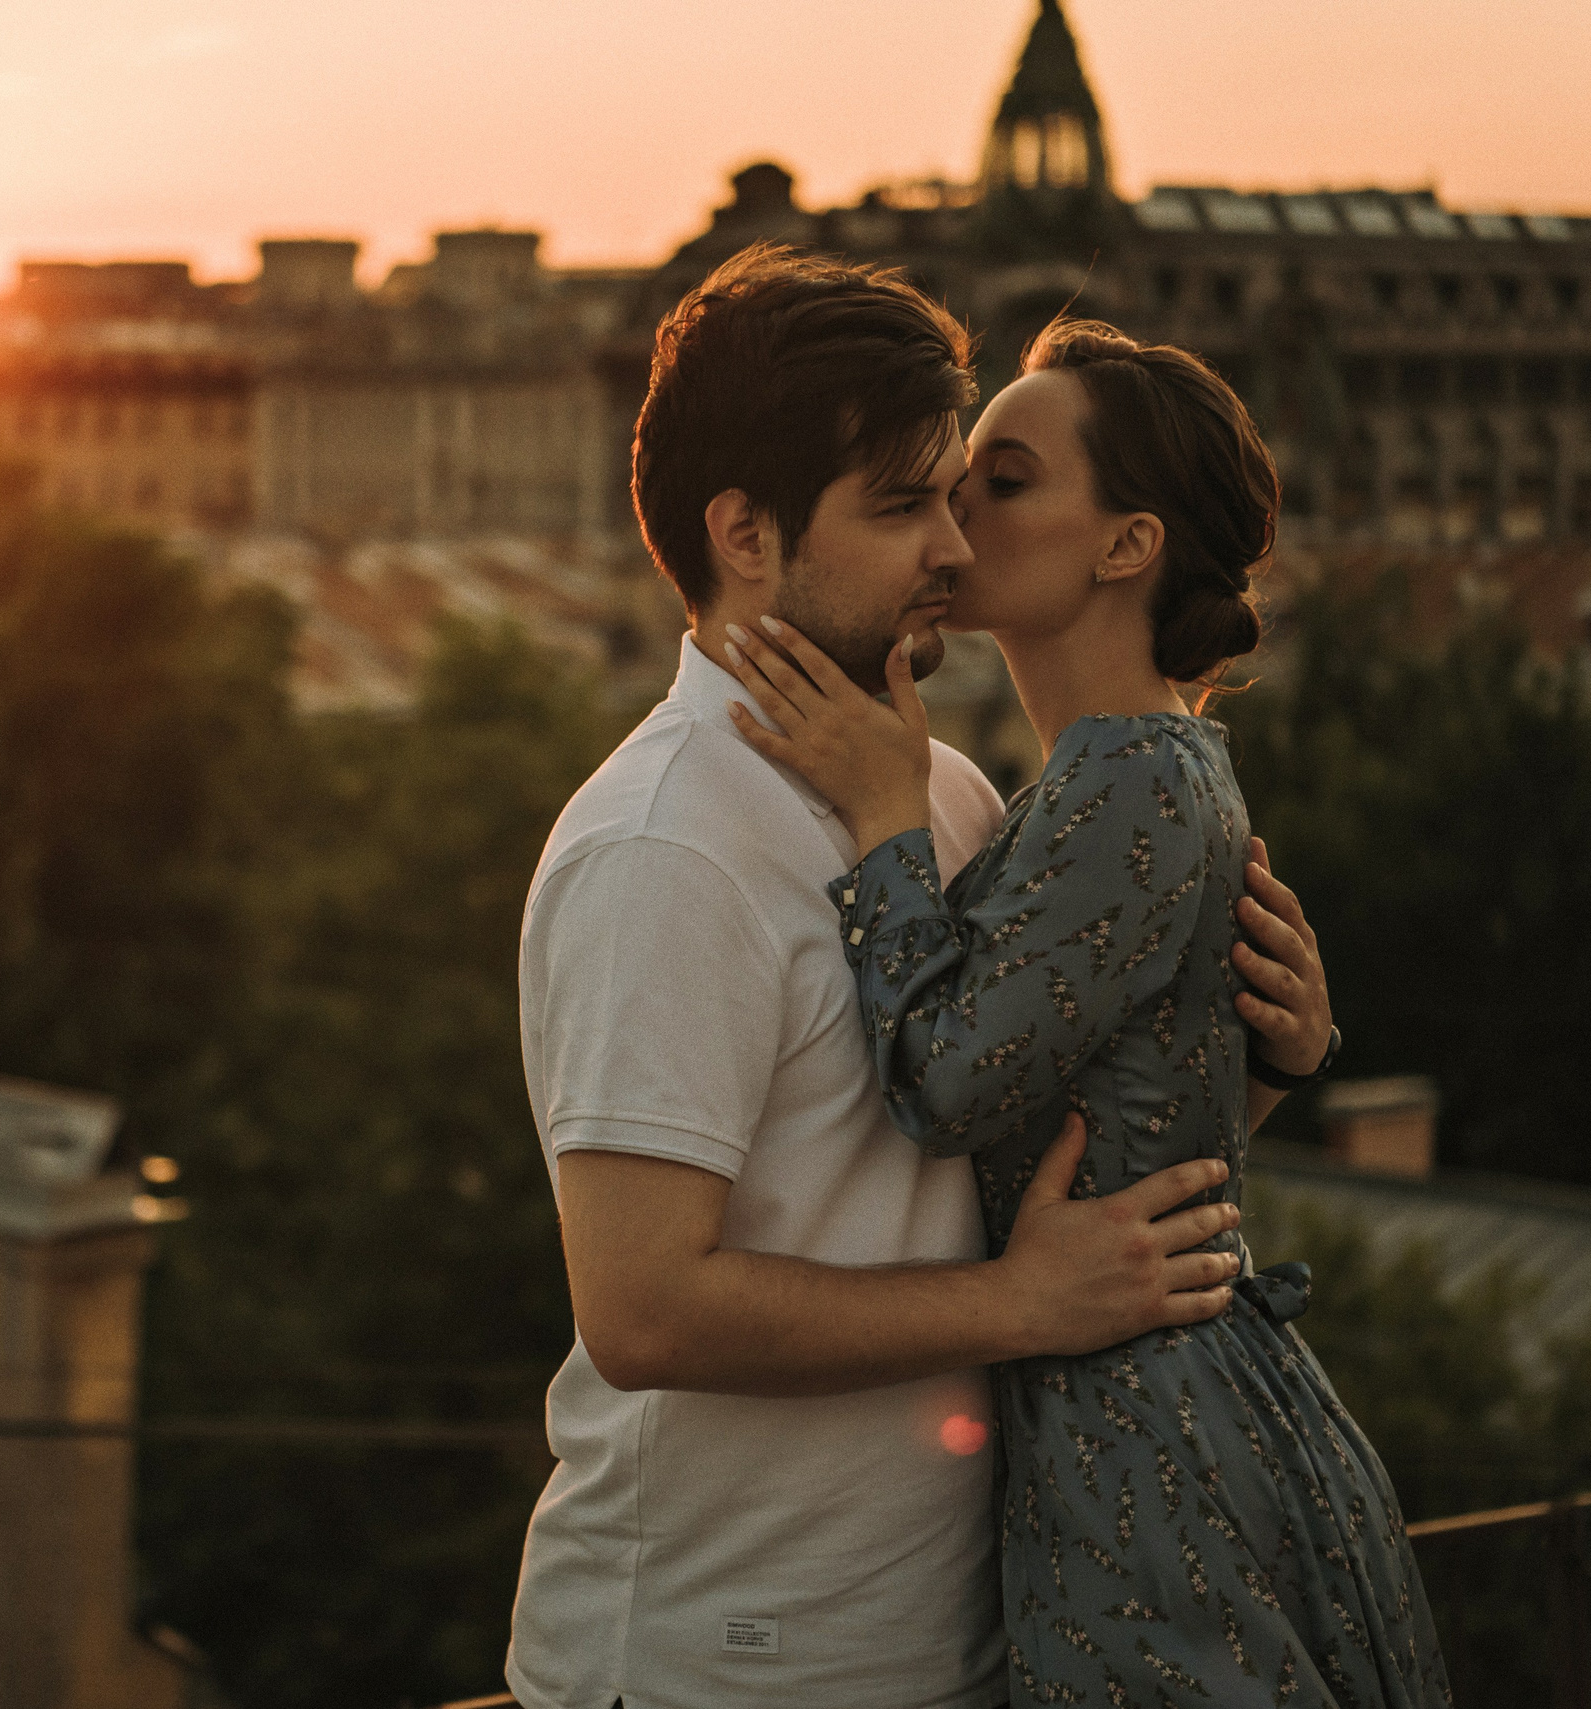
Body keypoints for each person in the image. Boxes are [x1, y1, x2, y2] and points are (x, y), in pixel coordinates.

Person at [508, 248, 1339, 1709]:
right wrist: (1018, 1307)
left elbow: (1042, 1186)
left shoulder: (942, 793)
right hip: (732, 1662)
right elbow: (643, 1311)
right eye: (903, 508)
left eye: (959, 492)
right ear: (746, 534)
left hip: (955, 1644)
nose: (951, 547)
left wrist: (1259, 1067)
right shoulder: (660, 848)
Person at [721, 316, 1449, 1705]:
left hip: (1148, 1448)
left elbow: (944, 1083)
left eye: (1004, 477)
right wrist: (1281, 1062)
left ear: (1126, 544)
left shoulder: (1132, 778)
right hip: (1125, 1411)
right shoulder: (1100, 778)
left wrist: (884, 822)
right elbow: (1128, 1100)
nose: (955, 510)